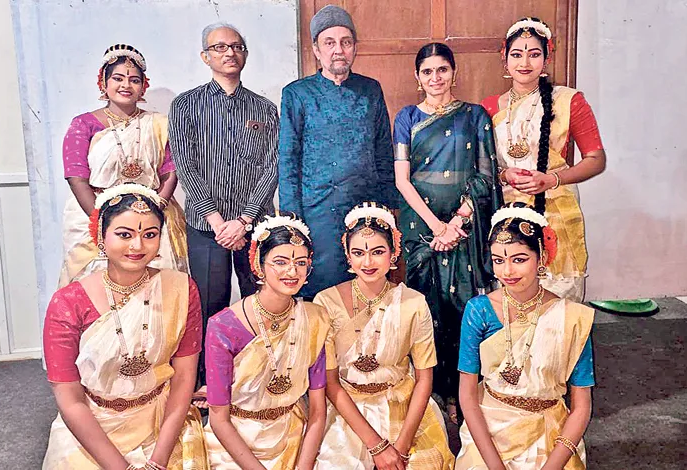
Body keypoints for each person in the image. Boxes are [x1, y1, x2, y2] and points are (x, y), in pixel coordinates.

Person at [43, 184, 207, 469]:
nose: (137, 246)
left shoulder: (181, 289)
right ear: (101, 236)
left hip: (162, 423)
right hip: (92, 429)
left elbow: (183, 378)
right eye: (124, 234)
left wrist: (158, 460)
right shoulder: (68, 303)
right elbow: (69, 398)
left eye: (150, 234)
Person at [393, 42, 503, 422]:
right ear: (417, 77)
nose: (435, 78)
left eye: (442, 69)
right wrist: (437, 227)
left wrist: (457, 222)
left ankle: (462, 394)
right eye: (427, 71)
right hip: (421, 228)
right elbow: (402, 180)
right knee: (425, 309)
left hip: (464, 227)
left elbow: (485, 175)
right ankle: (431, 392)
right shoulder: (407, 117)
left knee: (462, 308)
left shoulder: (475, 116)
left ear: (454, 72)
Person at [169, 22, 279, 394]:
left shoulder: (264, 108)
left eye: (236, 46)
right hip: (206, 227)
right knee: (209, 304)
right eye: (219, 47)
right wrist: (218, 222)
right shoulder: (185, 105)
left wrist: (244, 220)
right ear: (205, 56)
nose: (229, 53)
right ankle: (207, 384)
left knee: (259, 299)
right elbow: (186, 166)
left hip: (254, 226)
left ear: (245, 53)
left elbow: (272, 167)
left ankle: (257, 376)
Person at [314, 203, 454, 470]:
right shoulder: (326, 301)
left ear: (394, 253)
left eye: (378, 252)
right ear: (348, 256)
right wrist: (377, 446)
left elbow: (424, 379)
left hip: (403, 406)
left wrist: (401, 447)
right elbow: (330, 383)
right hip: (347, 409)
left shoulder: (413, 302)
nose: (367, 263)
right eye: (358, 253)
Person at [456, 203, 595, 469]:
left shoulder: (571, 318)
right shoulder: (479, 310)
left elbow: (581, 407)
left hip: (549, 433)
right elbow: (467, 396)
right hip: (489, 431)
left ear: (542, 257)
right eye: (499, 260)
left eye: (519, 259)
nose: (507, 271)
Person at [481, 17, 606, 301]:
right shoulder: (488, 107)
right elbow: (481, 165)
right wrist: (504, 175)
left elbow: (596, 159)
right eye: (516, 54)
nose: (525, 62)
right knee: (511, 290)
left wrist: (552, 179)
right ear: (504, 58)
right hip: (504, 209)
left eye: (534, 54)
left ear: (546, 58)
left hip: (555, 207)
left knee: (555, 295)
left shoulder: (569, 101)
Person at [278, 5, 399, 299]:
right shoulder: (298, 94)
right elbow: (288, 158)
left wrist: (387, 208)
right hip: (317, 212)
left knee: (368, 288)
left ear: (354, 47)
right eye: (329, 43)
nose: (338, 50)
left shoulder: (370, 89)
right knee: (323, 292)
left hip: (366, 208)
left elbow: (383, 151)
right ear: (316, 50)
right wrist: (293, 219)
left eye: (346, 42)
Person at [203, 213, 329, 469]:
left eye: (301, 263)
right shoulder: (223, 326)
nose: (292, 271)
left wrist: (303, 466)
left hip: (294, 435)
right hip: (235, 444)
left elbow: (318, 410)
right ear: (258, 265)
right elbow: (218, 419)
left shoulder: (314, 319)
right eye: (280, 262)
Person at [60, 44, 187, 287]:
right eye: (118, 78)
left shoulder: (159, 124)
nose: (126, 85)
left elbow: (170, 171)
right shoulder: (83, 124)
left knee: (156, 288)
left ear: (143, 86)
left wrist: (155, 211)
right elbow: (76, 177)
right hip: (93, 213)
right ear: (103, 83)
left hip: (151, 213)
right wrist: (101, 222)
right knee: (98, 287)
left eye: (134, 80)